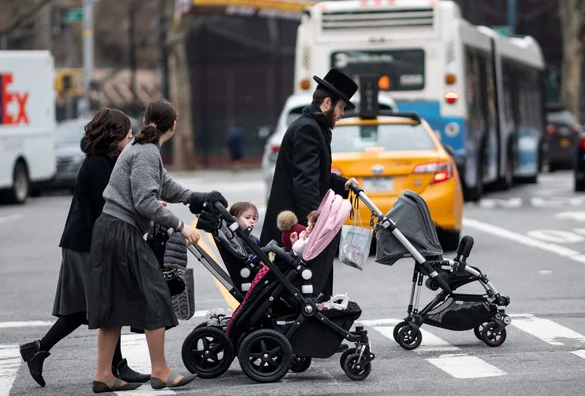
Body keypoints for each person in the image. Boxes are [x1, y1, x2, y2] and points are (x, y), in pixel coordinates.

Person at [86, 100, 228, 393]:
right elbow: (146, 201)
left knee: (113, 303)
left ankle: (104, 374)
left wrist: (195, 197)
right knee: (155, 295)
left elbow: (163, 185)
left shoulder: (141, 148)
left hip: (110, 229)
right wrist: (181, 226)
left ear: (147, 120)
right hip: (121, 231)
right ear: (173, 126)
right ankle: (160, 371)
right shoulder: (146, 152)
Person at [18, 109, 148, 388]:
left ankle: (38, 350)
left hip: (85, 243)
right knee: (104, 305)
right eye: (126, 130)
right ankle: (117, 366)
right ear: (112, 134)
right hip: (86, 245)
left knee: (85, 308)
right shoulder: (97, 166)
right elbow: (111, 207)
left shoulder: (105, 161)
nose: (131, 134)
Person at [260, 69, 358, 303]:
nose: (342, 114)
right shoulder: (308, 129)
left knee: (305, 285)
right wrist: (314, 223)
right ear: (327, 103)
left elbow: (317, 174)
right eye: (341, 107)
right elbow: (305, 181)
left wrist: (343, 184)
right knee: (305, 286)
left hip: (296, 220)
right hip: (295, 225)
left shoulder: (312, 126)